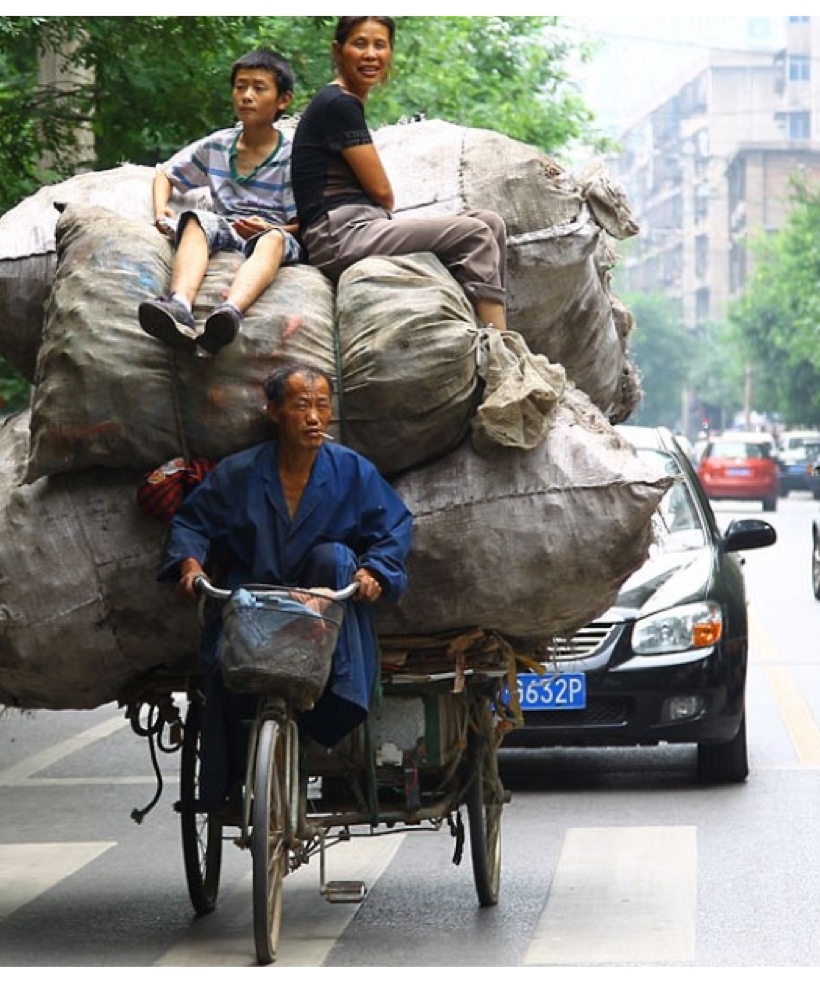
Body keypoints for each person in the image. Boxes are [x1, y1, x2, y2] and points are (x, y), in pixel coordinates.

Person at [158, 363, 413, 809]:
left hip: (324, 617)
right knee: (219, 675)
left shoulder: (352, 471)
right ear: (274, 411)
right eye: (300, 406)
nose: (313, 417)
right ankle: (223, 788)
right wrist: (190, 567)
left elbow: (393, 528)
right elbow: (192, 522)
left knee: (335, 556)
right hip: (253, 611)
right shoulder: (239, 473)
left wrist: (375, 572)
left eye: (321, 406)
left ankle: (329, 714)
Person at [290, 16, 509, 332]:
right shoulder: (339, 104)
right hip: (342, 236)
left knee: (490, 223)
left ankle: (475, 330)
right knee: (475, 234)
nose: (370, 54)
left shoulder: (341, 103)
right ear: (338, 51)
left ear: (391, 52)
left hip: (355, 226)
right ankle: (503, 350)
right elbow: (382, 193)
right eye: (359, 43)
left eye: (380, 45)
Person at [138, 49, 303, 356]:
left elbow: (307, 223)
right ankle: (180, 305)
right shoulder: (218, 144)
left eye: (259, 88)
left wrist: (272, 227)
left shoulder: (295, 153)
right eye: (240, 87)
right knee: (197, 219)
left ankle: (229, 313)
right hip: (227, 225)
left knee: (272, 240)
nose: (247, 96)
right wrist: (161, 208)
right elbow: (166, 174)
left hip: (275, 231)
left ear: (283, 100)